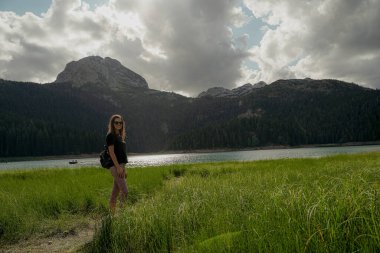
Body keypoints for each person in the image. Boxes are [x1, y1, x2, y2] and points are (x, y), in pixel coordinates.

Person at [106, 114, 128, 214]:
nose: (119, 124)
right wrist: (118, 167)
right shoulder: (110, 135)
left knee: (116, 192)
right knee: (125, 191)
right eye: (116, 122)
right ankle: (123, 215)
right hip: (115, 166)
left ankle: (112, 215)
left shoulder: (120, 136)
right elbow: (111, 153)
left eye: (120, 122)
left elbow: (122, 155)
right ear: (112, 123)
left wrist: (124, 168)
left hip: (121, 165)